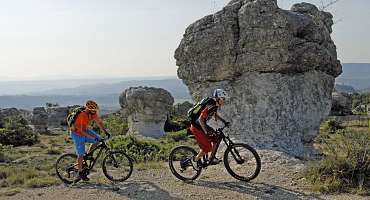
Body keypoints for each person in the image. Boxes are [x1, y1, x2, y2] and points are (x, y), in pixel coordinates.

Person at [70, 100, 110, 181]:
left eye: (95, 111)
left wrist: (105, 131)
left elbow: (99, 122)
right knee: (80, 154)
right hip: (77, 133)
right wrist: (91, 138)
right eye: (93, 111)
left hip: (85, 129)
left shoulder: (93, 113)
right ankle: (80, 172)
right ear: (88, 109)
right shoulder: (82, 115)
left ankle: (88, 155)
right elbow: (81, 131)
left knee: (98, 140)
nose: (94, 112)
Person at [190, 89, 230, 170]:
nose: (224, 101)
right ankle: (194, 160)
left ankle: (211, 158)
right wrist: (206, 132)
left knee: (216, 137)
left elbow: (214, 114)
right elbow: (201, 119)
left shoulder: (215, 105)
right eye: (223, 99)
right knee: (208, 148)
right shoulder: (210, 105)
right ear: (218, 98)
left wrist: (224, 121)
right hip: (196, 126)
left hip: (202, 125)